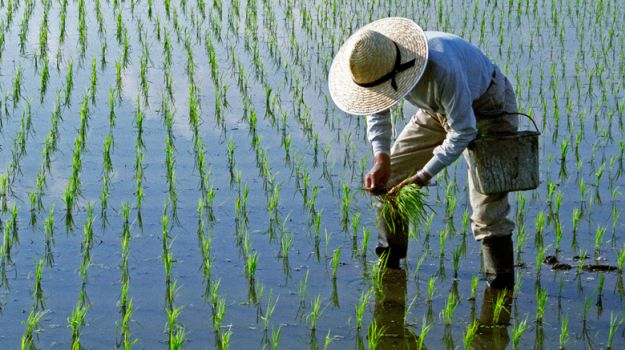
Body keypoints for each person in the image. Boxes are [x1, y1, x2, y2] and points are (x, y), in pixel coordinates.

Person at [328, 17, 517, 289]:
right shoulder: (377, 67)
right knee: (390, 182)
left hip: (490, 107)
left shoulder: (442, 68)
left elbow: (464, 130)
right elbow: (377, 109)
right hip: (436, 111)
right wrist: (382, 157)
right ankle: (389, 263)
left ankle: (500, 289)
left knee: (487, 204)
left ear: (397, 72)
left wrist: (422, 177)